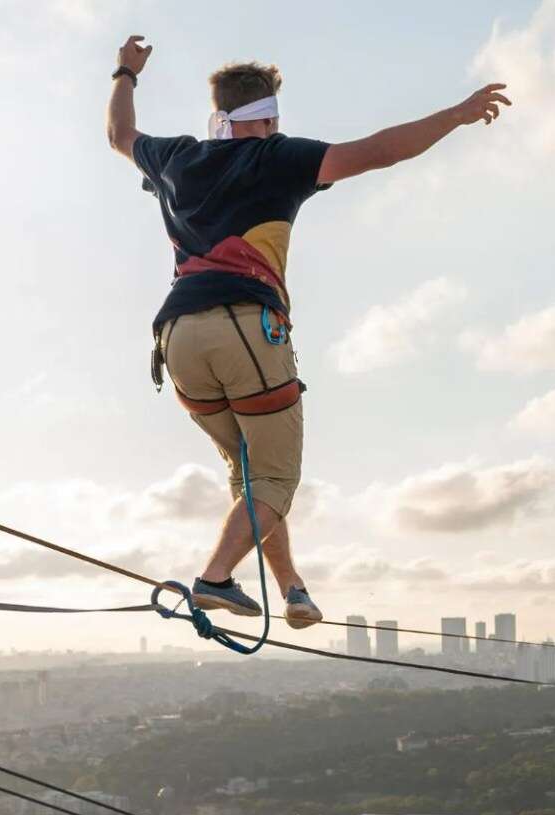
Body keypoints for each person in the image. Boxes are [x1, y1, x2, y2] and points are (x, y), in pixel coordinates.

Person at [106, 34, 509, 627]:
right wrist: (457, 113)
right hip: (243, 326)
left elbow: (119, 136)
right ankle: (213, 578)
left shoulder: (178, 157)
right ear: (267, 115)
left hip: (176, 340)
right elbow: (380, 151)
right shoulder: (277, 157)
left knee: (250, 471)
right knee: (273, 477)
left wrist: (125, 72)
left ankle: (292, 588)